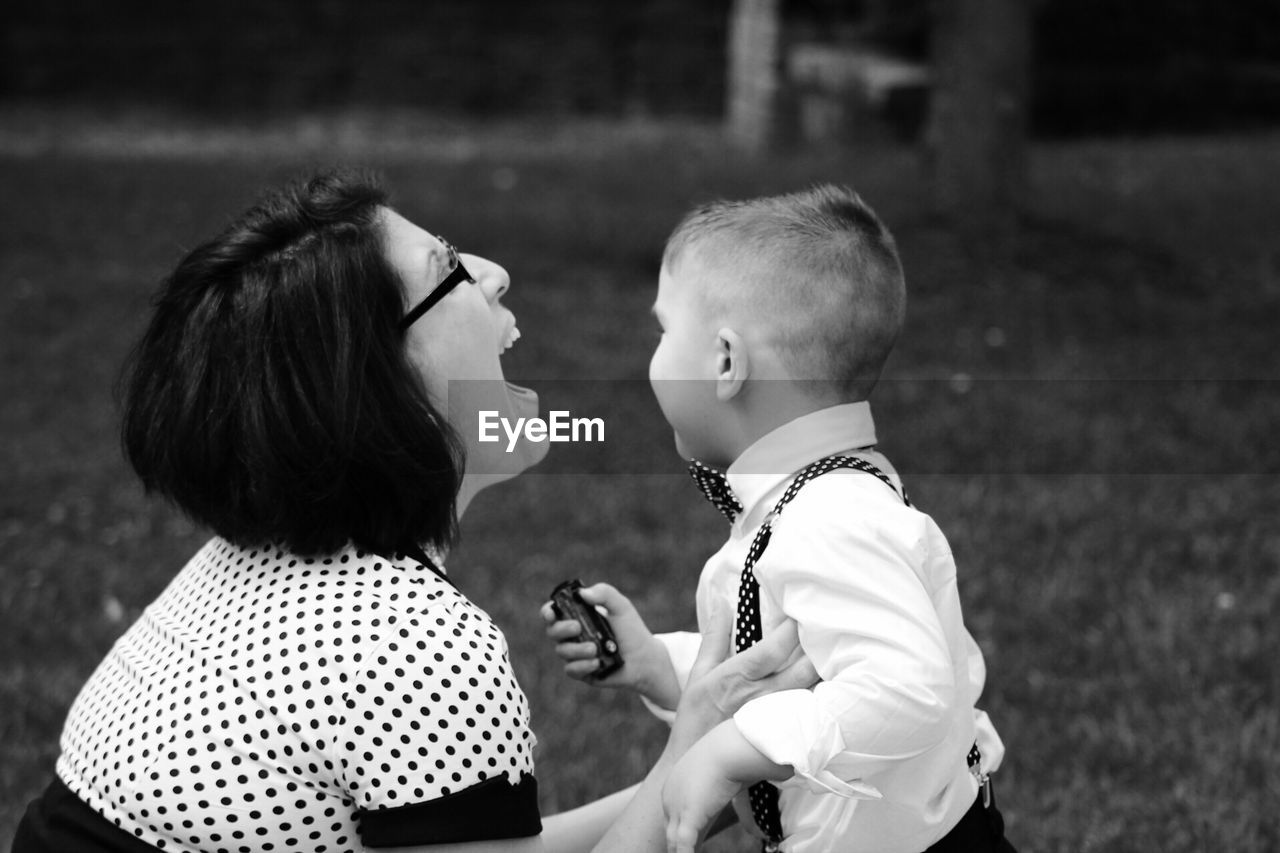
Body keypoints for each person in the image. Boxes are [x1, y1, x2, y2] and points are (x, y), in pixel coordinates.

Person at [10, 170, 819, 853]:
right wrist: (701, 733)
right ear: (377, 379)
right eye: (450, 269)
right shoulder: (412, 645)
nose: (494, 271)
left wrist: (695, 777)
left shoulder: (257, 566)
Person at [545, 186, 1016, 853]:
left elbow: (908, 688)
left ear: (726, 362)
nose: (653, 354)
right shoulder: (818, 498)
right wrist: (657, 661)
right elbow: (789, 660)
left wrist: (735, 749)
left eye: (662, 331)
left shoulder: (833, 516)